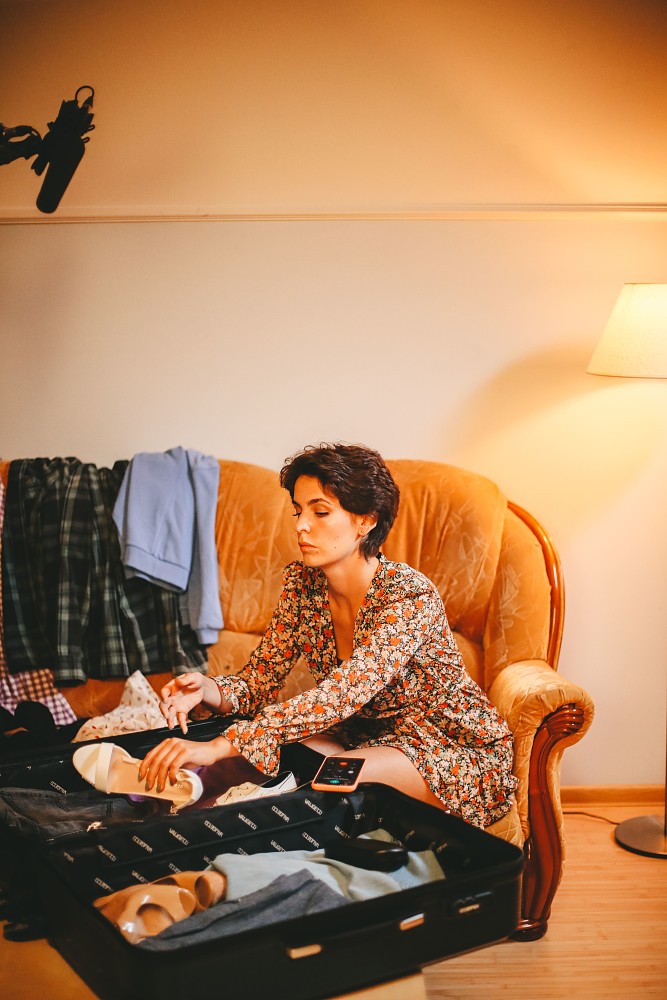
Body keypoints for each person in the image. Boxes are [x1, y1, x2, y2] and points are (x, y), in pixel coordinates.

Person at [138, 443, 517, 828]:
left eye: (320, 512)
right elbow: (258, 683)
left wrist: (221, 747)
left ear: (366, 520)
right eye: (298, 511)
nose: (301, 525)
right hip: (363, 740)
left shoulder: (408, 596)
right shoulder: (302, 586)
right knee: (275, 758)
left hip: (449, 748)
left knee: (329, 778)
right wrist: (206, 688)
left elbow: (343, 693)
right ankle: (173, 824)